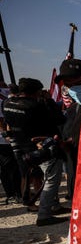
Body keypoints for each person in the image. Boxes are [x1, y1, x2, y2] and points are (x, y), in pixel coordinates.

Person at [2, 78, 68, 225]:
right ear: (36, 92)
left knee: (28, 176)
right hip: (42, 148)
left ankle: (53, 205)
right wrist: (49, 101)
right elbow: (59, 119)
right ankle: (44, 214)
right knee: (51, 179)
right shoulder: (36, 106)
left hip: (21, 147)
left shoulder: (7, 103)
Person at [55, 58, 81, 200]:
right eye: (70, 85)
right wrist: (64, 145)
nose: (75, 89)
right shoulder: (73, 109)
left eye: (80, 83)